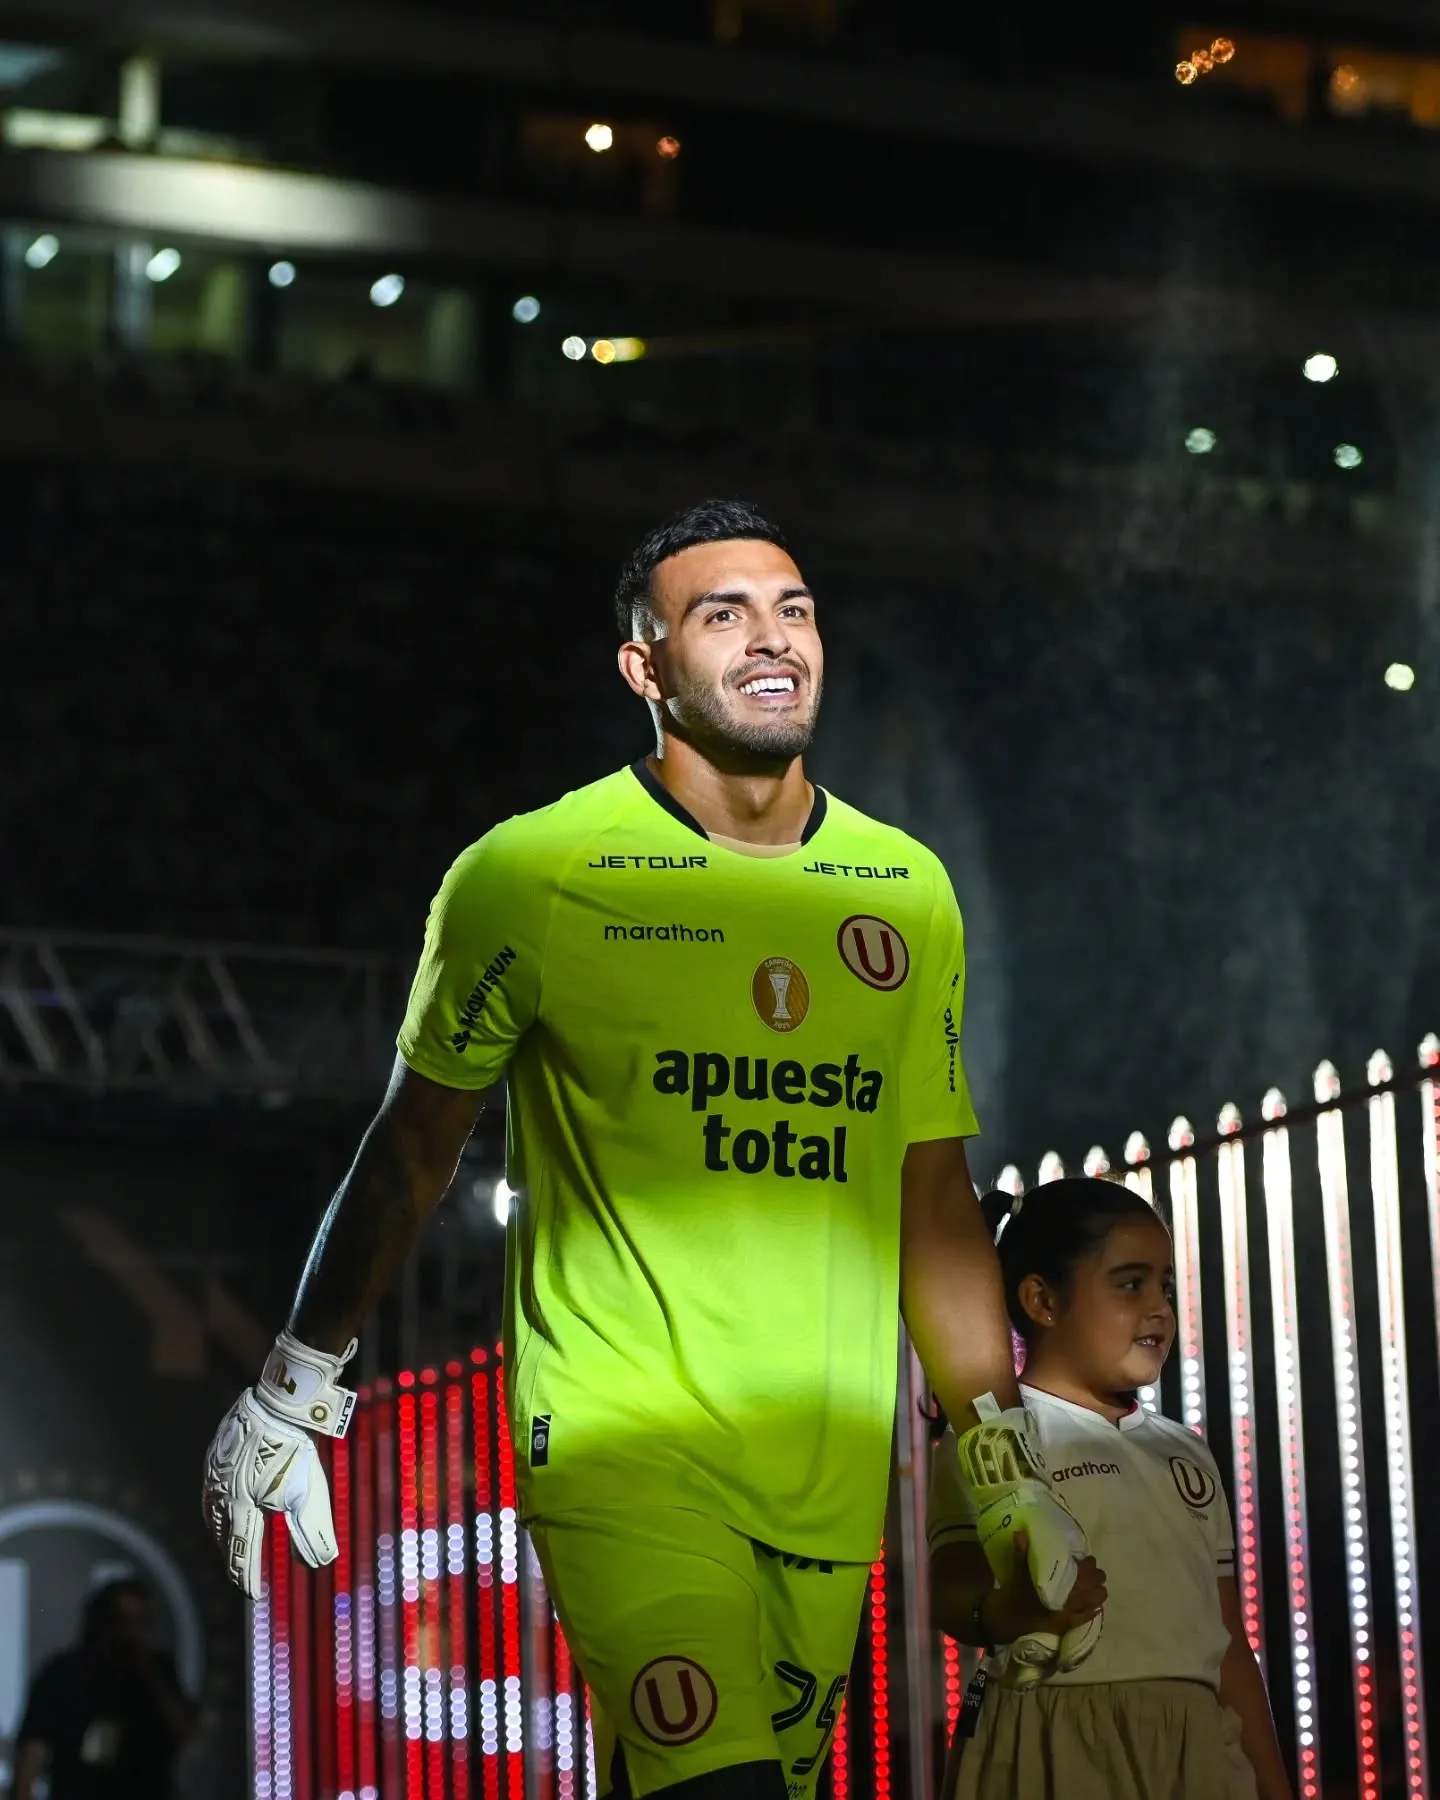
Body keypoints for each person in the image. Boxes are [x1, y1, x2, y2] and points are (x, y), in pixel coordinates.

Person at [204, 497, 1091, 1800]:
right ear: (647, 667)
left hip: (826, 1477)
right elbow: (414, 1146)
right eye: (722, 615)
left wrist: (1001, 1466)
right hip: (622, 1445)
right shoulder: (531, 875)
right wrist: (298, 1380)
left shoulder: (908, 890)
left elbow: (935, 1199)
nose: (772, 638)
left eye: (793, 609)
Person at [928, 1176, 1294, 1800]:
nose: (1159, 1308)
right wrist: (1005, 1612)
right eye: (1130, 1283)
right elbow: (952, 1591)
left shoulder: (1186, 1450)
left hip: (1200, 1749)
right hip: (1052, 1741)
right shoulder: (988, 1435)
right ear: (1043, 1300)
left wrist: (1275, 1786)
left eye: (1165, 1287)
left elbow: (1228, 1643)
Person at [11, 1578, 196, 1800]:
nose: (127, 1631)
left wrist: (149, 1673)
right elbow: (32, 1753)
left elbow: (182, 1731)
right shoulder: (63, 1674)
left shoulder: (158, 1672)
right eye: (120, 1620)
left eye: (138, 1622)